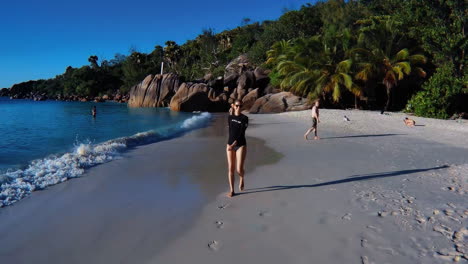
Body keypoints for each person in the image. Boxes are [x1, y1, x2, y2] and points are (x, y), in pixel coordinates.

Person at [226, 99, 249, 197]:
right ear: (233, 106)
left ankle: (241, 178)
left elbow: (241, 133)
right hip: (229, 144)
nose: (239, 107)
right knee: (230, 168)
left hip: (240, 145)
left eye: (240, 106)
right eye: (237, 105)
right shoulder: (229, 117)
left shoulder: (244, 118)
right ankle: (232, 190)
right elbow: (231, 131)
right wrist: (230, 145)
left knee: (239, 169)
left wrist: (233, 144)